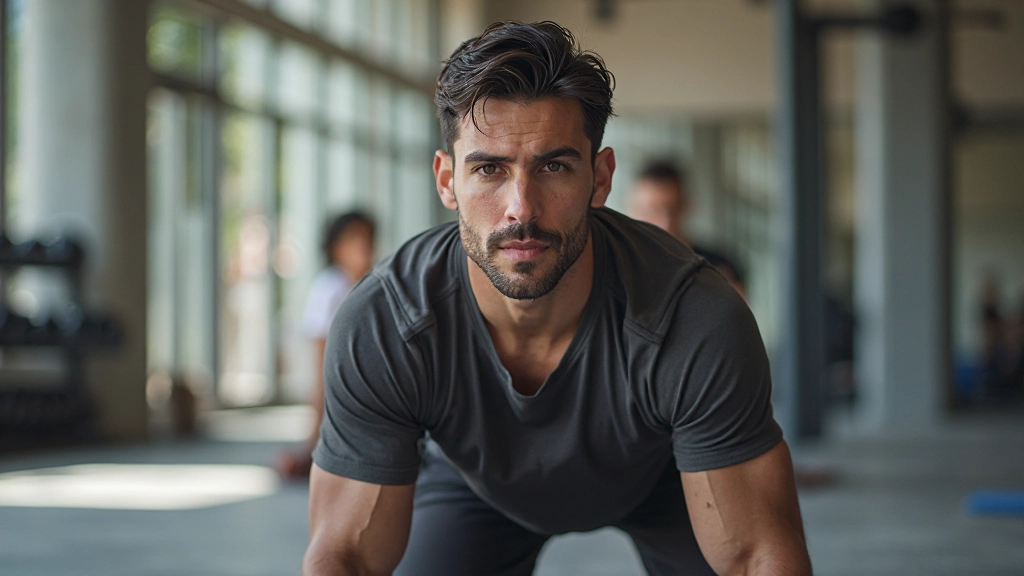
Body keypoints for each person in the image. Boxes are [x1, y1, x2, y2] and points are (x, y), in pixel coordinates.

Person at [304, 21, 810, 576]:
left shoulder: (693, 317)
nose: (521, 208)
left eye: (554, 166)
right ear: (446, 181)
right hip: (478, 484)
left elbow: (758, 557)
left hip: (668, 470)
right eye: (489, 169)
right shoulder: (387, 321)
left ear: (600, 176)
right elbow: (345, 556)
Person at [277, 211, 375, 480]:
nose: (364, 246)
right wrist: (313, 434)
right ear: (336, 248)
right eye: (355, 239)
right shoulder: (327, 288)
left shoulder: (375, 283)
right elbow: (321, 360)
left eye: (368, 238)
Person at [628, 160, 747, 298]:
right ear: (633, 210)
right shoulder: (624, 268)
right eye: (652, 210)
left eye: (673, 209)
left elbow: (737, 315)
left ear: (686, 205)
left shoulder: (721, 267)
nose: (665, 223)